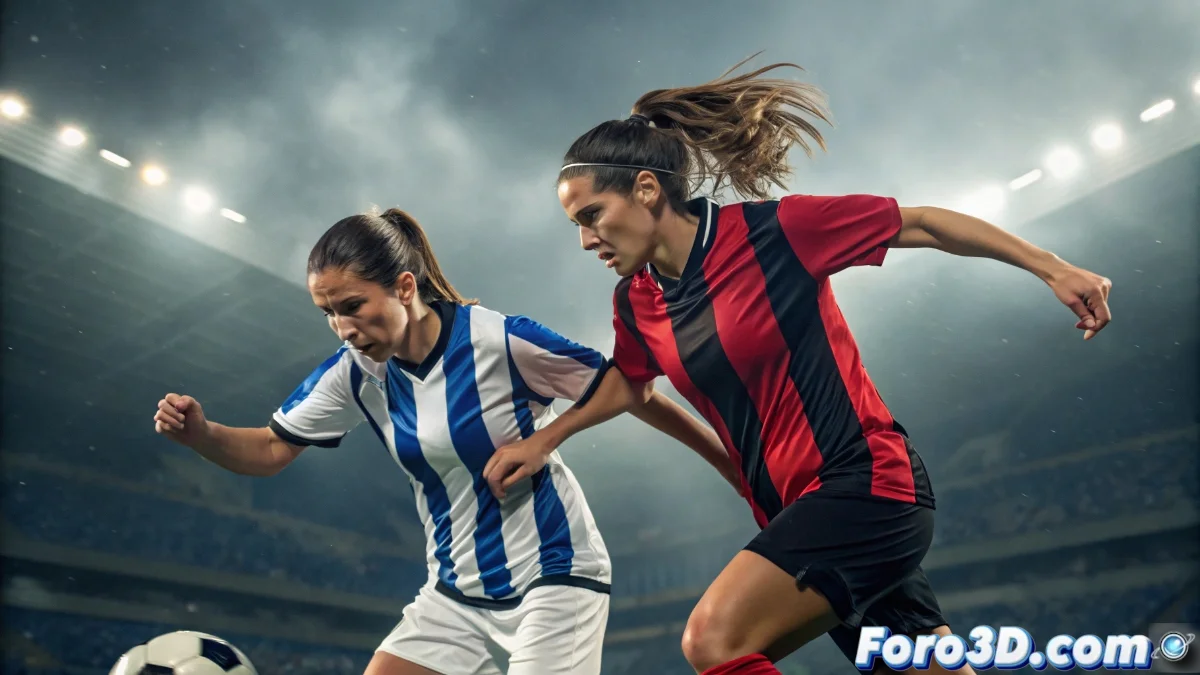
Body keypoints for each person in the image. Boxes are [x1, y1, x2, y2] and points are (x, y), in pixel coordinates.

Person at [482, 56, 1113, 675]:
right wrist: (546, 439)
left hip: (864, 486)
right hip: (796, 511)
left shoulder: (775, 232)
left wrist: (1051, 267)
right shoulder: (637, 301)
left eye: (592, 216)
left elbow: (921, 224)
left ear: (646, 189)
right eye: (575, 225)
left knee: (713, 642)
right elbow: (630, 385)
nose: (586, 240)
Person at [152, 207, 740, 675]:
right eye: (328, 313)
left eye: (354, 305)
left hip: (554, 577)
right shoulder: (356, 372)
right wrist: (202, 434)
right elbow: (271, 450)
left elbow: (630, 386)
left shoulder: (499, 341)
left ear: (405, 286)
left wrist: (727, 461)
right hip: (454, 594)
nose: (345, 328)